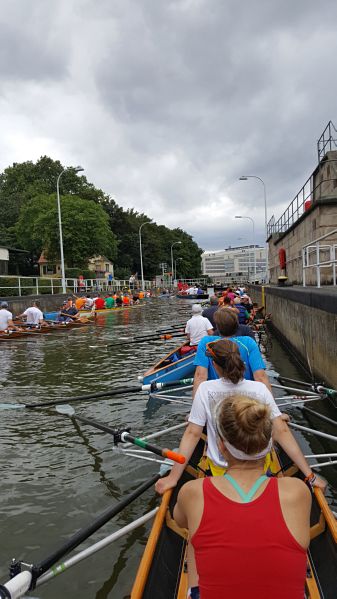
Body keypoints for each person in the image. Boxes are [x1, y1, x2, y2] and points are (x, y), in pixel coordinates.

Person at [173, 394, 311, 599]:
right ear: (270, 444)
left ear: (221, 446)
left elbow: (179, 519)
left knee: (194, 538)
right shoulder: (297, 491)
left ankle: (193, 591)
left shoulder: (193, 492)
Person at [156, 339, 326, 489]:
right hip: (259, 465)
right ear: (240, 360)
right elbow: (282, 432)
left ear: (214, 365)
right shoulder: (259, 389)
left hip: (221, 466)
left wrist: (173, 478)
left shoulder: (205, 390)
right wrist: (310, 476)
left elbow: (193, 434)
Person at [193, 308, 271, 396]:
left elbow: (200, 376)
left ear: (217, 327)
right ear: (236, 325)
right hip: (247, 399)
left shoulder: (206, 342)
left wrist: (197, 403)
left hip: (215, 396)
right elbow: (260, 377)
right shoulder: (248, 342)